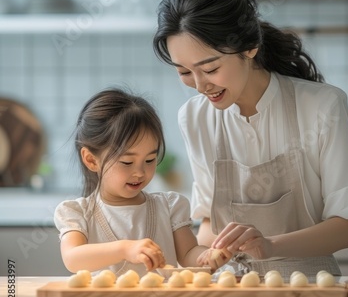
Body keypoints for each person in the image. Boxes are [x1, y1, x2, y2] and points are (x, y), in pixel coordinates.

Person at [153, 0, 348, 279]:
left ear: (249, 48)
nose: (199, 85)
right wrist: (210, 251)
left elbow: (346, 227)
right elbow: (208, 223)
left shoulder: (322, 106)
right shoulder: (194, 118)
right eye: (184, 72)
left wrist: (269, 246)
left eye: (210, 68)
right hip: (232, 293)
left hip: (312, 290)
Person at [54, 87, 227, 276]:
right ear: (91, 160)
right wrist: (125, 249)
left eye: (150, 160)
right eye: (127, 162)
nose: (140, 172)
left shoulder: (169, 207)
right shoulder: (78, 213)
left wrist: (208, 256)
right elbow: (73, 258)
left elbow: (188, 254)